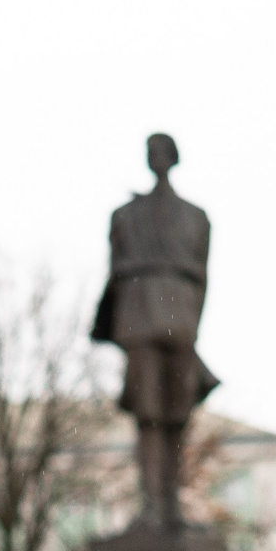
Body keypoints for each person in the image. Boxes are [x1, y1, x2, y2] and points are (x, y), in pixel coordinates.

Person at [90, 131, 221, 526]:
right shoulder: (126, 216)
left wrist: (189, 326)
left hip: (175, 323)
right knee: (150, 416)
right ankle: (154, 503)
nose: (156, 158)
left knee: (176, 415)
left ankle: (171, 505)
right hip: (144, 321)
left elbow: (202, 278)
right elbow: (116, 271)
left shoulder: (195, 217)